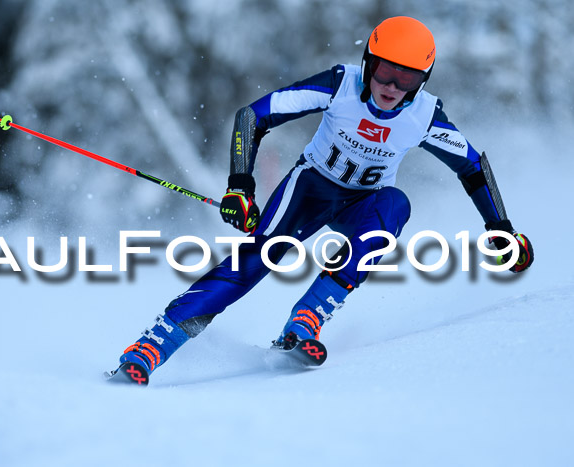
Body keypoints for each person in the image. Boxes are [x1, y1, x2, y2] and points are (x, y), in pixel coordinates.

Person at [112, 16, 534, 381]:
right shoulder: (341, 84)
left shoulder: (424, 115)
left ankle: (306, 319)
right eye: (386, 72)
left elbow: (472, 165)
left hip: (361, 205)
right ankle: (150, 349)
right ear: (369, 62)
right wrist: (240, 186)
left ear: (422, 82)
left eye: (407, 80)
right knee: (254, 263)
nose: (392, 87)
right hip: (310, 190)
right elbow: (252, 116)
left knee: (395, 204)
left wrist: (501, 230)